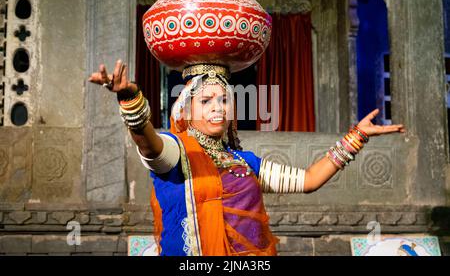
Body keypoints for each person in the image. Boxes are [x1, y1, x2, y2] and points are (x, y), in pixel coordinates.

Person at [88, 60, 406, 256]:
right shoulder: (176, 151)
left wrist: (356, 138)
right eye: (207, 100)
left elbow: (309, 180)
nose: (218, 106)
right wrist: (130, 100)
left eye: (225, 99)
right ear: (185, 110)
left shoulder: (243, 162)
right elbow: (148, 143)